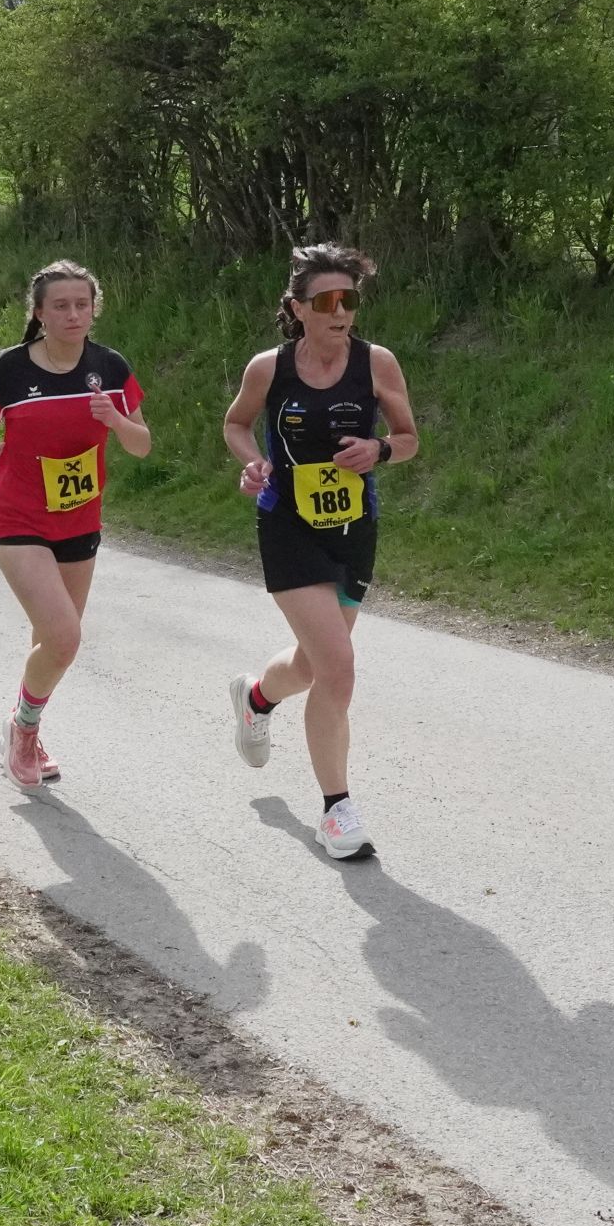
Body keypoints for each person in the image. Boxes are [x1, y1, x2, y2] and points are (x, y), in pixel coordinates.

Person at [220, 244, 419, 861]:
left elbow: (409, 437)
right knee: (338, 668)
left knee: (312, 666)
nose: (340, 312)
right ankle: (338, 811)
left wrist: (380, 450)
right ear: (298, 308)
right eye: (327, 301)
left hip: (354, 526)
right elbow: (235, 423)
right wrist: (254, 463)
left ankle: (257, 697)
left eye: (349, 300)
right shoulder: (269, 368)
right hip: (288, 525)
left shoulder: (377, 362)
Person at [0, 260, 152, 793]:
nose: (73, 314)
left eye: (82, 304)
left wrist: (116, 420)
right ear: (40, 313)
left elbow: (142, 444)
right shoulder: (12, 367)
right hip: (18, 518)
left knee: (50, 640)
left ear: (94, 309)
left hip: (79, 520)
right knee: (65, 638)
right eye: (61, 306)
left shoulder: (110, 368)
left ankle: (29, 725)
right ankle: (22, 732)